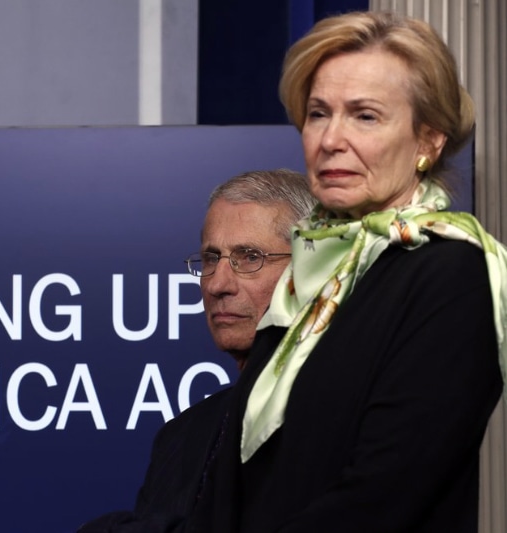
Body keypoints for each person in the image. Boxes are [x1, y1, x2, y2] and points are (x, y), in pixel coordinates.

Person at [188, 11, 507, 533]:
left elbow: (385, 495)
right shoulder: (310, 273)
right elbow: (238, 484)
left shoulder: (453, 272)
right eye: (318, 113)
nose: (331, 139)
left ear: (428, 141)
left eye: (364, 116)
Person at [77, 169, 315, 532]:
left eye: (249, 257)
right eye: (210, 258)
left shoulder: (346, 417)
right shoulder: (181, 436)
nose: (218, 284)